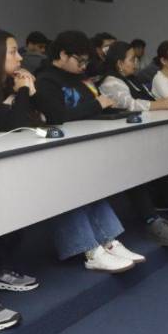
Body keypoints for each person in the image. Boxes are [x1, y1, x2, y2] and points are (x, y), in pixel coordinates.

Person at [34, 30, 145, 272]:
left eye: (86, 61)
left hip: (83, 146)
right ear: (62, 55)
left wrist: (104, 106)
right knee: (71, 191)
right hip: (57, 152)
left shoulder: (80, 78)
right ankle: (90, 249)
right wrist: (96, 104)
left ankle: (109, 241)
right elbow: (57, 116)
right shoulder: (45, 80)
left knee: (92, 188)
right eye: (80, 60)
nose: (84, 66)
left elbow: (95, 106)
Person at [99, 42, 168, 245]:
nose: (136, 63)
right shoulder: (111, 82)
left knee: (164, 161)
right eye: (132, 59)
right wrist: (160, 104)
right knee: (136, 172)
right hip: (122, 143)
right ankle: (151, 221)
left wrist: (164, 102)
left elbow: (148, 99)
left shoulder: (132, 79)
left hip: (142, 135)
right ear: (119, 63)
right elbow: (129, 105)